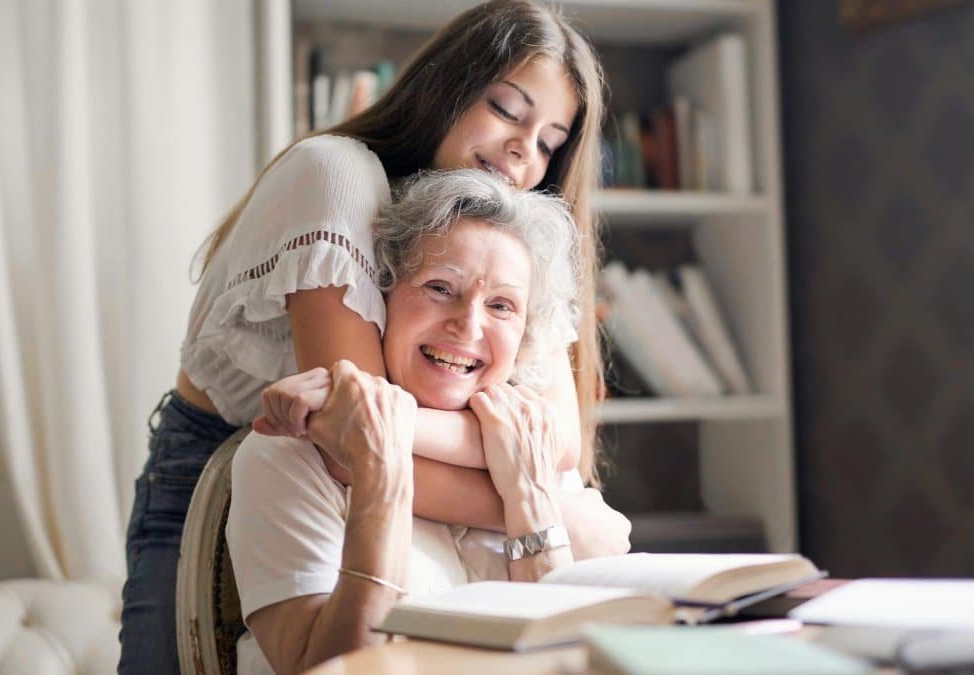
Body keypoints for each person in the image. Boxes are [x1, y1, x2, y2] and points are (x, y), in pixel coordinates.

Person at [118, 2, 626, 673]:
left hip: (377, 477)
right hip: (231, 466)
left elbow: (552, 438)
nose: (523, 152)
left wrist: (353, 411)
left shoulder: (509, 230)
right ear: (445, 87)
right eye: (507, 109)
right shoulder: (334, 175)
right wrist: (534, 492)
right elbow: (355, 445)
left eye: (549, 141)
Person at [229, 169, 590, 675]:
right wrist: (381, 472)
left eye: (501, 306)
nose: (468, 325)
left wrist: (531, 498)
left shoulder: (534, 452)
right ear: (383, 296)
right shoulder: (290, 456)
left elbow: (565, 664)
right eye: (441, 288)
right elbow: (328, 668)